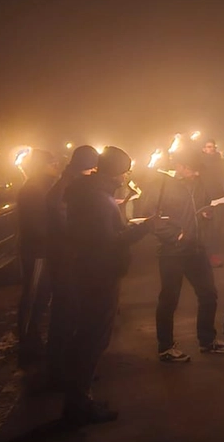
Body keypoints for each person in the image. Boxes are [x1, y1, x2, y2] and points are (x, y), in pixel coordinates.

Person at [63, 147, 161, 425]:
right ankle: (78, 405)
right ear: (117, 172)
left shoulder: (91, 193)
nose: (128, 175)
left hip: (92, 272)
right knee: (92, 338)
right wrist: (143, 228)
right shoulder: (96, 198)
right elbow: (108, 242)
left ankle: (80, 398)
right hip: (99, 275)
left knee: (89, 336)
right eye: (126, 170)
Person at [141, 154, 224, 363]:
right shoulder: (161, 184)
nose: (197, 173)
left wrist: (205, 213)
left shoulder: (196, 183)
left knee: (208, 293)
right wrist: (174, 236)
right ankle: (165, 347)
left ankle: (207, 340)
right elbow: (149, 215)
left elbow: (199, 207)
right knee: (169, 299)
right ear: (180, 166)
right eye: (192, 169)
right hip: (172, 251)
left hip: (195, 248)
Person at [44, 146, 99, 389]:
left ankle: (68, 370)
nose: (95, 173)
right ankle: (63, 373)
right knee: (67, 314)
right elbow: (67, 222)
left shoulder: (68, 183)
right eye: (93, 168)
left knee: (69, 314)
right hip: (67, 258)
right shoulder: (66, 188)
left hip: (69, 257)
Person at [16, 149, 61, 369]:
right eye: (51, 162)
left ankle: (33, 341)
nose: (56, 165)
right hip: (37, 252)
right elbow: (37, 225)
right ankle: (26, 345)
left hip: (47, 249)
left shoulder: (46, 186)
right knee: (33, 297)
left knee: (42, 297)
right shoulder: (33, 189)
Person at [198, 139, 224, 268]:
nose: (211, 149)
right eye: (208, 147)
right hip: (204, 199)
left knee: (215, 229)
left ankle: (213, 255)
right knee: (202, 229)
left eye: (213, 147)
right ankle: (201, 256)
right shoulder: (199, 163)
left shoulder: (221, 162)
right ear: (203, 149)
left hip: (220, 199)